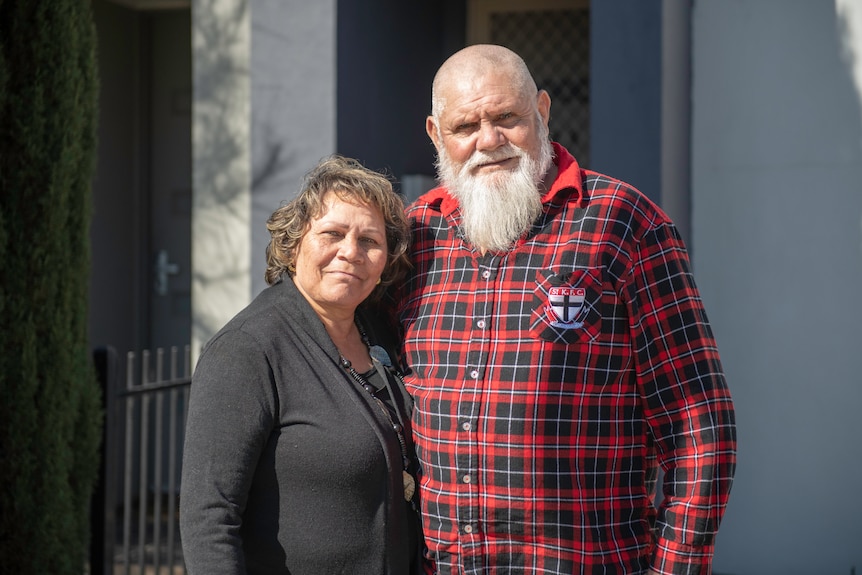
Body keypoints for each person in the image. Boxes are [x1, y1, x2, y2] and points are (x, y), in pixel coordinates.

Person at [395, 44, 737, 575]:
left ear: (543, 111)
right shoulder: (413, 235)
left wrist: (676, 567)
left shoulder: (624, 222)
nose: (489, 141)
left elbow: (698, 424)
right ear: (436, 136)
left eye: (507, 117)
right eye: (466, 126)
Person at [180, 155, 424, 574]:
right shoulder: (248, 349)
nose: (351, 252)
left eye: (370, 241)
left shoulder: (375, 329)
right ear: (294, 244)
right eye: (333, 233)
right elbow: (209, 517)